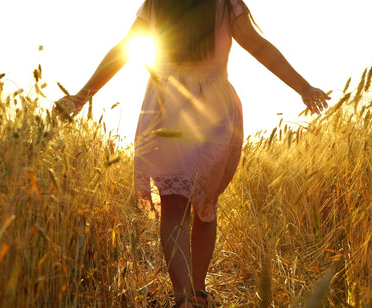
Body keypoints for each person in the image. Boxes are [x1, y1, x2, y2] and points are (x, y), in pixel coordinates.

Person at [55, 0, 330, 307]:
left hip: (167, 105)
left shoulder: (158, 4)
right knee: (205, 204)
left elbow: (124, 49)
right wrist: (303, 87)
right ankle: (196, 293)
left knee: (174, 208)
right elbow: (258, 46)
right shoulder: (226, 4)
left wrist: (81, 96)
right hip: (214, 109)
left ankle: (185, 296)